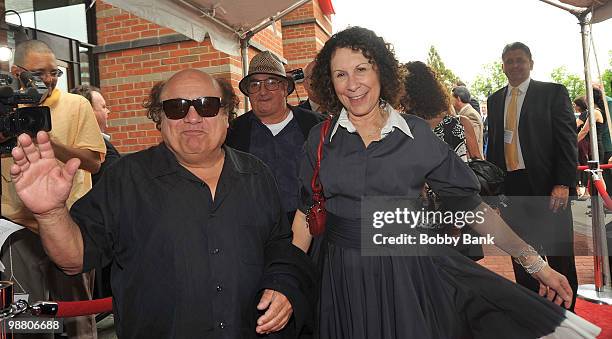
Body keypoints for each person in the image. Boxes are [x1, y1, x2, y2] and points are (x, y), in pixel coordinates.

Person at [291, 26, 599, 338]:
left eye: (361, 69)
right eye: (340, 74)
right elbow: (305, 214)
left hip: (408, 277)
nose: (352, 84)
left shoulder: (416, 135)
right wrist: (285, 281)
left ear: (381, 72)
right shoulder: (320, 138)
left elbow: (471, 207)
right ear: (330, 81)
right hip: (341, 277)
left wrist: (536, 264)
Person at [8, 69, 317, 338]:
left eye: (206, 106)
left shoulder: (257, 174)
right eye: (176, 107)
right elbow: (73, 258)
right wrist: (50, 212)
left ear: (226, 117)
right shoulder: (126, 179)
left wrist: (284, 286)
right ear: (160, 119)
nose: (192, 117)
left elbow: (279, 248)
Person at [1, 40, 106, 339]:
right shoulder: (5, 106)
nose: (48, 79)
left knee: (77, 318)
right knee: (27, 318)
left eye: (54, 72)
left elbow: (94, 163)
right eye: (38, 72)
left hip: (70, 225)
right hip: (17, 230)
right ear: (17, 71)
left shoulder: (76, 105)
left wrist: (49, 141)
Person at [486, 42, 579, 310]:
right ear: (502, 66)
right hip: (512, 189)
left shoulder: (552, 93)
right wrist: (495, 195)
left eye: (520, 60)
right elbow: (494, 148)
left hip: (549, 188)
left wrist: (563, 183)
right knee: (522, 254)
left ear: (531, 63)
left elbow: (567, 143)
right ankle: (532, 313)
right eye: (509, 61)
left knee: (560, 256)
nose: (515, 65)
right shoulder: (494, 100)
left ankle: (567, 315)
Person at [226, 51, 323, 222]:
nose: (262, 91)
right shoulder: (233, 132)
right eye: (255, 85)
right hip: (256, 231)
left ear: (285, 88)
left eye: (271, 83)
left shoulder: (316, 126)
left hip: (311, 226)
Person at [401, 60, 484, 260]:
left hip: (423, 221)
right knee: (465, 281)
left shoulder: (403, 128)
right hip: (463, 215)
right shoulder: (460, 123)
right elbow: (477, 166)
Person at [70, 84, 121, 185]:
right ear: (88, 112)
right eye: (103, 107)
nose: (108, 111)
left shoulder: (73, 142)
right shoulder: (94, 147)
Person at [452, 85, 484, 155]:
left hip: (470, 162)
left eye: (452, 98)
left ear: (458, 99)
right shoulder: (467, 112)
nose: (451, 102)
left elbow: (472, 143)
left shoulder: (470, 114)